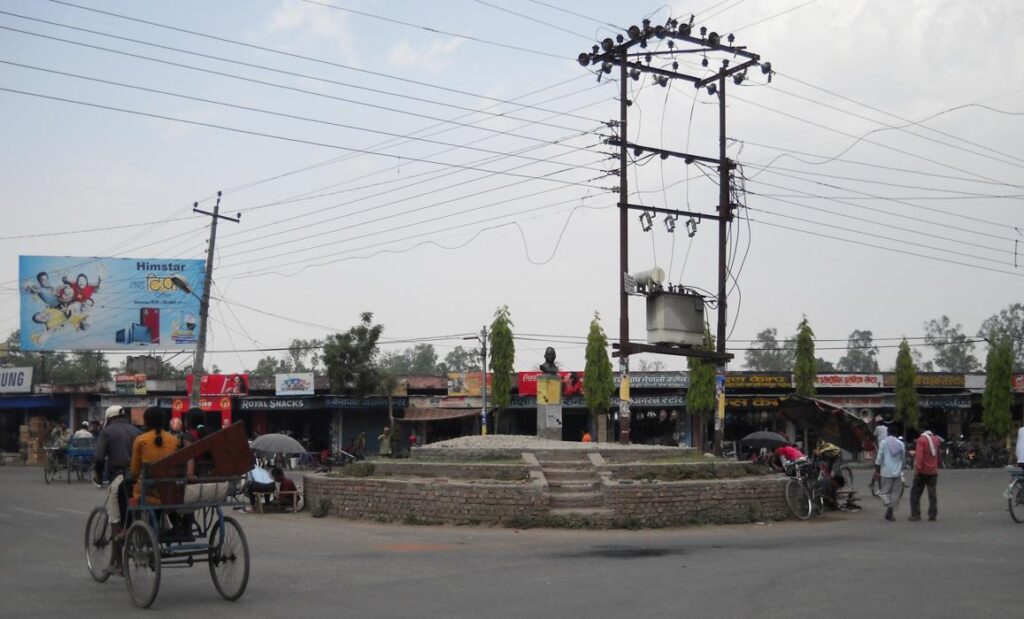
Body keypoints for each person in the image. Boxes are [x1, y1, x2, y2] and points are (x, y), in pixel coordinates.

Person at [92, 405, 142, 577]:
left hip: (120, 478)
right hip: (139, 479)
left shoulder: (107, 432)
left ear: (109, 418)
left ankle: (119, 565)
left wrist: (98, 476)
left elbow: (99, 458)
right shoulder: (136, 431)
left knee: (116, 519)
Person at [130, 407, 181, 506]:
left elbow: (135, 471)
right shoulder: (174, 440)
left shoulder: (140, 440)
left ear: (145, 421)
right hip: (169, 489)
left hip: (147, 491)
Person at [910, 430, 942, 521]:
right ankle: (932, 515)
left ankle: (916, 514)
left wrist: (917, 469)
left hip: (922, 471)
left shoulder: (921, 440)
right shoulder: (936, 440)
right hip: (933, 472)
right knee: (932, 494)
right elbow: (939, 456)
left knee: (915, 493)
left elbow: (919, 456)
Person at [874, 434, 905, 521]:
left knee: (883, 492)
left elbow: (880, 456)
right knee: (895, 493)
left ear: (888, 433)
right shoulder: (901, 443)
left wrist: (877, 467)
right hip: (897, 471)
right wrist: (902, 467)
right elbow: (903, 458)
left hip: (886, 471)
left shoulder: (884, 442)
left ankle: (888, 505)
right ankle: (890, 512)